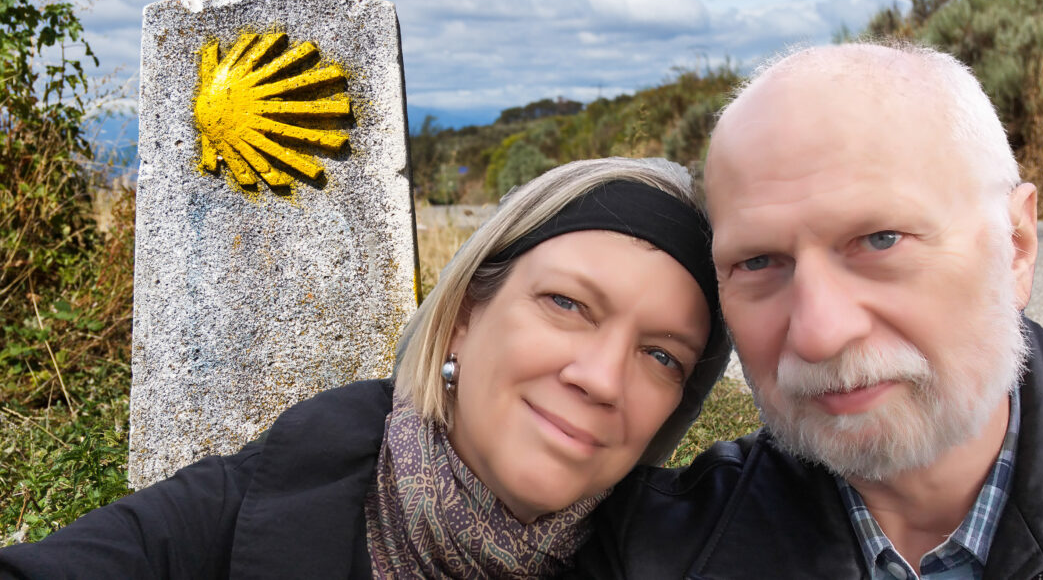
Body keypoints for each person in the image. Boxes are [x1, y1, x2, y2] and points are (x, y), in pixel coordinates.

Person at [576, 43, 1043, 578]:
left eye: (881, 240)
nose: (819, 334)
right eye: (759, 262)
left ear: (1016, 246)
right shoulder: (647, 549)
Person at [0, 157, 731, 579]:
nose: (602, 378)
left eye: (662, 355)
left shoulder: (688, 551)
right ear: (466, 316)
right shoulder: (223, 518)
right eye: (567, 304)